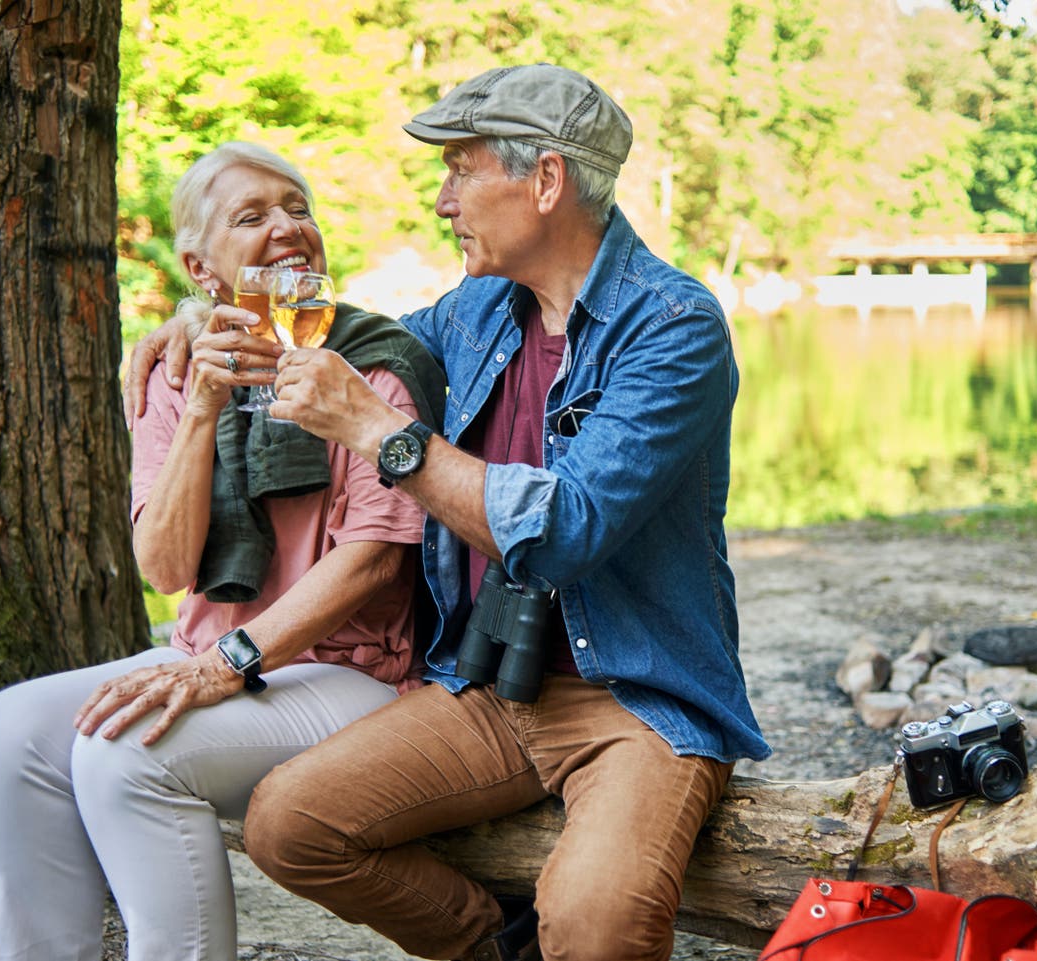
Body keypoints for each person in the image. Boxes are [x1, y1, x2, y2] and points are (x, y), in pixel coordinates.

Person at [125, 64, 769, 961]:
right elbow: (337, 333)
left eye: (462, 171)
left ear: (545, 181)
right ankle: (493, 949)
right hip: (480, 687)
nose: (441, 200)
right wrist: (197, 318)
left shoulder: (672, 326)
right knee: (290, 824)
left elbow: (566, 526)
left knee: (593, 922)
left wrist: (380, 430)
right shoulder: (474, 313)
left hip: (633, 695)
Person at [0, 142, 446, 961]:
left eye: (298, 208)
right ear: (200, 266)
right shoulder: (176, 372)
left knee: (127, 749)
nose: (288, 227)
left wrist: (226, 659)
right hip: (211, 657)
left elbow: (374, 561)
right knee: (5, 732)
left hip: (352, 676)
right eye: (251, 216)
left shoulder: (373, 369)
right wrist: (203, 410)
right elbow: (164, 566)